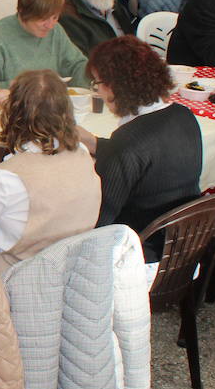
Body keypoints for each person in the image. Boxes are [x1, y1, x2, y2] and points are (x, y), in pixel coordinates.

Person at [0, 69, 100, 273]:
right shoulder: (83, 155)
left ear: (12, 116)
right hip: (68, 277)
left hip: (7, 286)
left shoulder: (8, 179)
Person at [79, 37, 201, 254]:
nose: (98, 93)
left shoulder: (128, 140)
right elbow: (149, 160)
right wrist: (91, 141)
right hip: (184, 246)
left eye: (97, 84)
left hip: (139, 254)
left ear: (115, 87)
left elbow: (100, 220)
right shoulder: (183, 116)